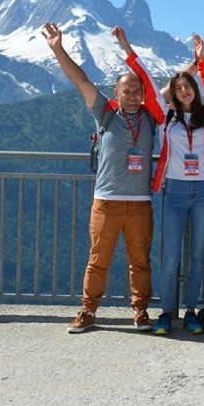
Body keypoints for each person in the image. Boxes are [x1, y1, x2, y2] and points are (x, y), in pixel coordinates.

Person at [42, 22, 164, 334]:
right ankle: (87, 311)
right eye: (128, 91)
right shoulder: (105, 112)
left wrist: (198, 62)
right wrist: (58, 49)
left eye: (138, 91)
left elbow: (174, 85)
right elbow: (80, 78)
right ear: (117, 92)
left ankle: (140, 312)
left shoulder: (152, 116)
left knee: (141, 262)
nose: (134, 96)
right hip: (106, 202)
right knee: (98, 261)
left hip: (140, 204)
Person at [117, 28, 204, 336]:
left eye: (187, 86)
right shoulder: (165, 116)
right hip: (174, 191)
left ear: (195, 88)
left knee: (199, 255)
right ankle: (165, 311)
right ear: (173, 93)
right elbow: (147, 80)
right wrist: (126, 46)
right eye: (178, 87)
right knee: (171, 256)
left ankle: (190, 311)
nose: (184, 91)